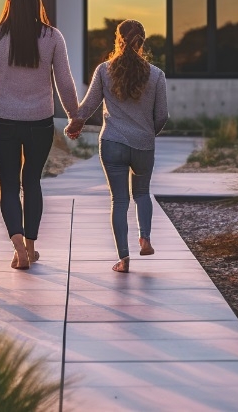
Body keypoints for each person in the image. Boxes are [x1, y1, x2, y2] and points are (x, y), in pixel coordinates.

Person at [0, 0, 79, 270]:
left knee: (8, 184)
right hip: (39, 121)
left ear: (9, 4)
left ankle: (18, 247)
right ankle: (29, 247)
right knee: (32, 182)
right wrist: (74, 115)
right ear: (37, 5)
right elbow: (64, 81)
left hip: (3, 120)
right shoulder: (52, 37)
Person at [67, 19, 168, 273]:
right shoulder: (156, 75)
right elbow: (162, 115)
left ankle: (124, 259)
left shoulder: (104, 70)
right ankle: (145, 239)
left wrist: (74, 125)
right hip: (143, 144)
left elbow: (87, 107)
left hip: (112, 142)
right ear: (142, 42)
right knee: (142, 194)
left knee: (120, 200)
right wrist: (148, 133)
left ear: (118, 40)